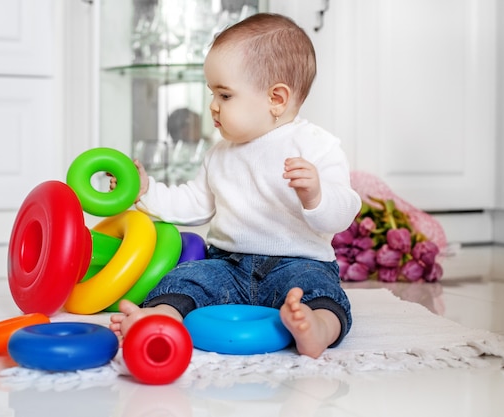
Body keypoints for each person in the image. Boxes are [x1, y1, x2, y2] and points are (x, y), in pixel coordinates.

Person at [110, 13, 361, 358]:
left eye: (225, 96)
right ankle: (159, 317)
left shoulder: (317, 146)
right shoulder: (219, 155)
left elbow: (343, 212)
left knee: (320, 292)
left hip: (298, 263)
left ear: (276, 99)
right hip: (228, 265)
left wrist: (316, 195)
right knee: (186, 278)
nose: (212, 106)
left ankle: (317, 326)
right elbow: (194, 202)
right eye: (211, 93)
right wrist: (146, 190)